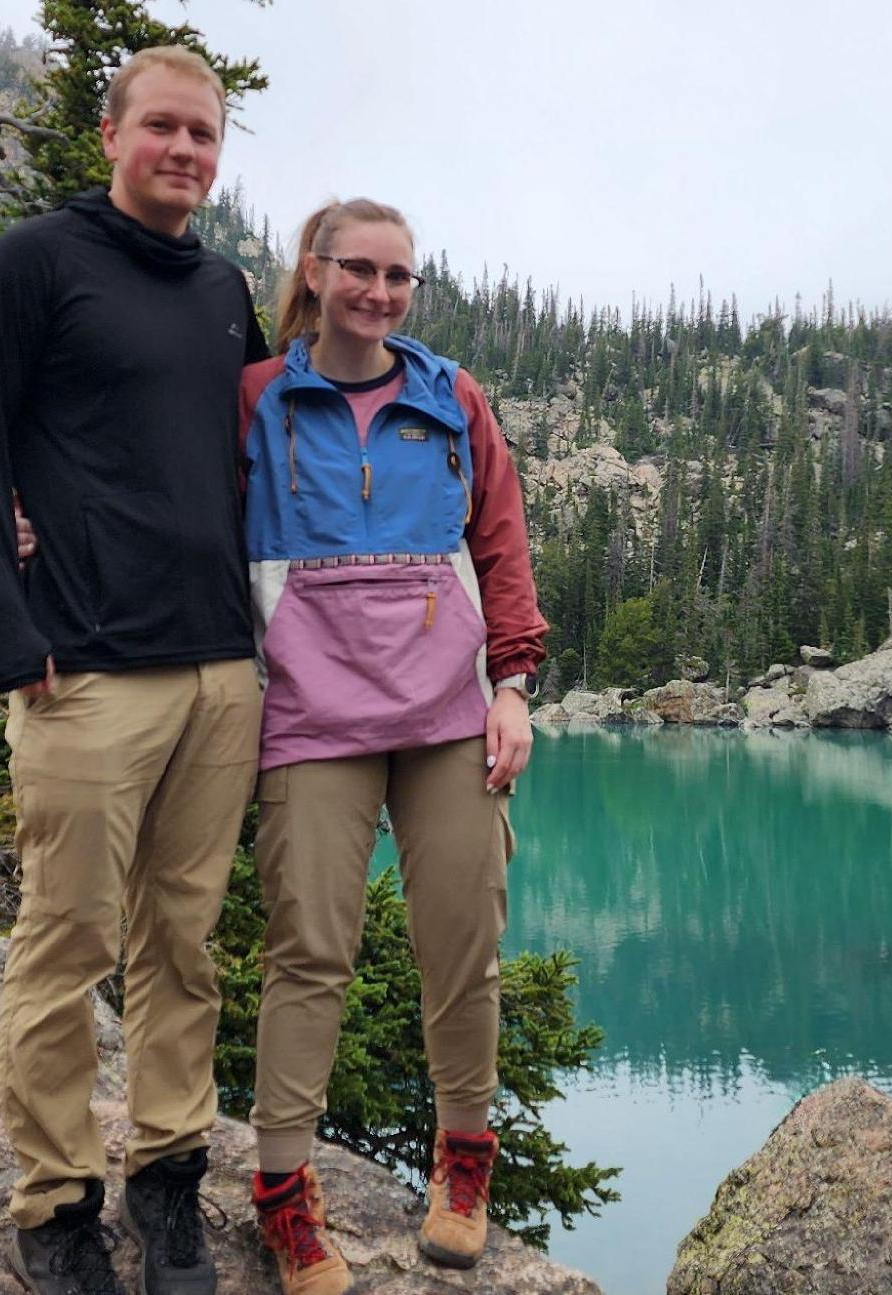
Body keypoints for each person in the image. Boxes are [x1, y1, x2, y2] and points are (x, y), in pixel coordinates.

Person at [0, 46, 268, 1295]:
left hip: (216, 672)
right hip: (84, 671)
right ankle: (55, 1200)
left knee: (182, 942)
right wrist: (4, 635)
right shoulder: (35, 263)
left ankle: (168, 1179)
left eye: (205, 134)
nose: (185, 151)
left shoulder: (223, 288)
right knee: (64, 942)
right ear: (112, 134)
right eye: (163, 128)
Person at [238, 198, 547, 1294]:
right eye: (357, 270)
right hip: (308, 716)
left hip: (445, 716)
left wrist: (511, 687)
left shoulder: (450, 397)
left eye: (398, 275)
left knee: (462, 946)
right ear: (313, 274)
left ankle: (463, 1169)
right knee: (307, 951)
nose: (378, 291)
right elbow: (168, 505)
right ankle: (283, 1195)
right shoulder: (258, 400)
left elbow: (500, 547)